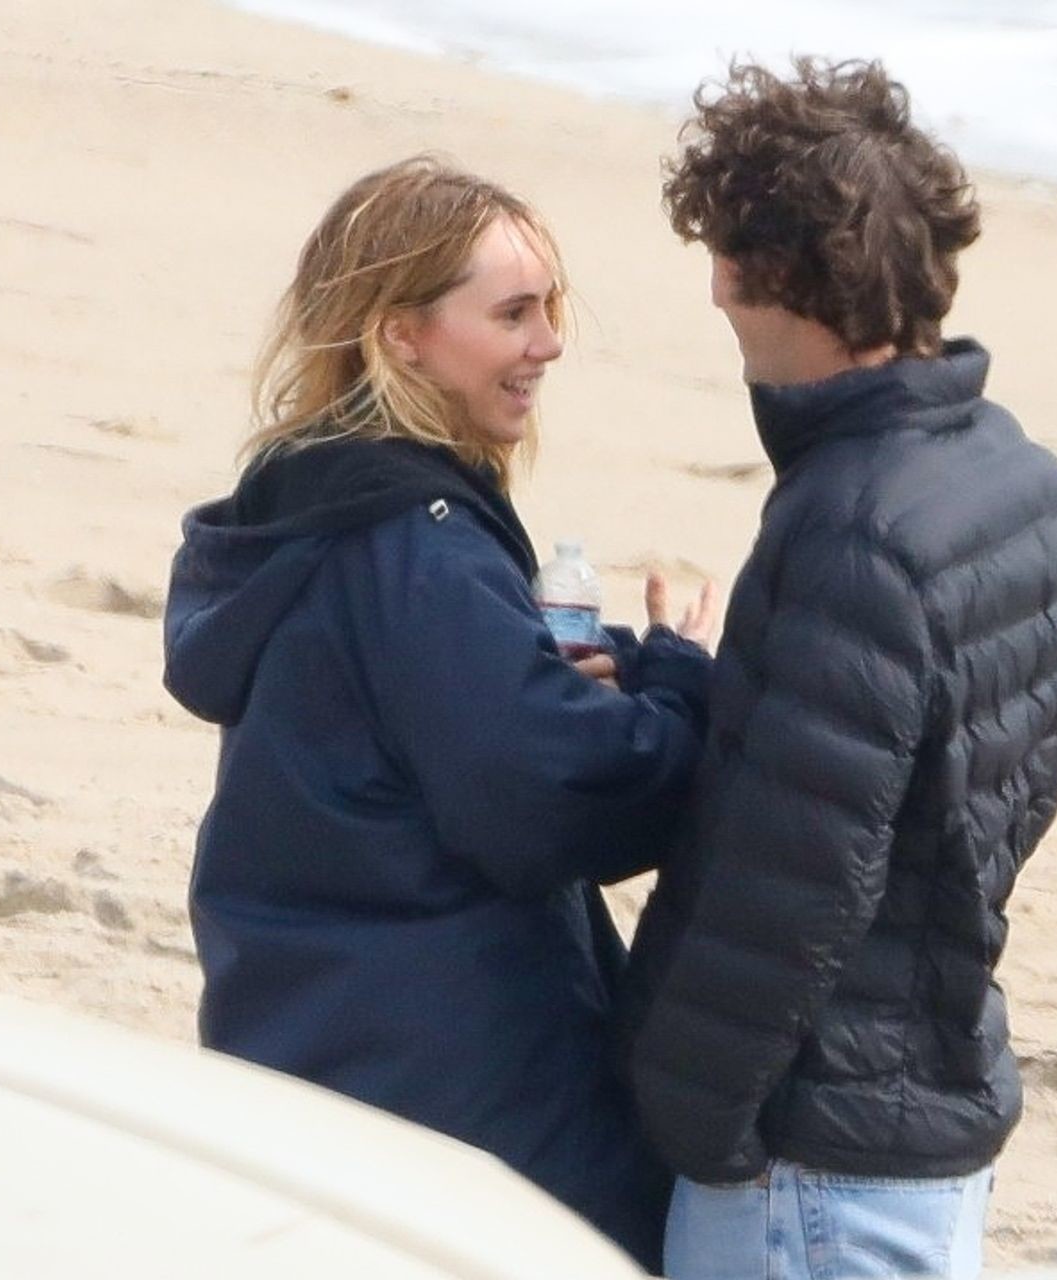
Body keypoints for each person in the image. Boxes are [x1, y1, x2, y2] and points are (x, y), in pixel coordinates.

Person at [161, 156, 716, 1271]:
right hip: (452, 1090)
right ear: (400, 336)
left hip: (307, 1048)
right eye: (513, 314)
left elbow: (435, 717)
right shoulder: (417, 546)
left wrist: (576, 666)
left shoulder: (308, 510)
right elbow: (548, 796)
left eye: (551, 310)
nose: (548, 344)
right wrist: (678, 688)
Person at [617, 60, 1057, 1280]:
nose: (714, 289)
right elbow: (992, 802)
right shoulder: (1023, 480)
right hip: (929, 1098)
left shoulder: (854, 529)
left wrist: (702, 1125)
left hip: (813, 1166)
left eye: (725, 257)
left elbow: (794, 884)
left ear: (772, 275)